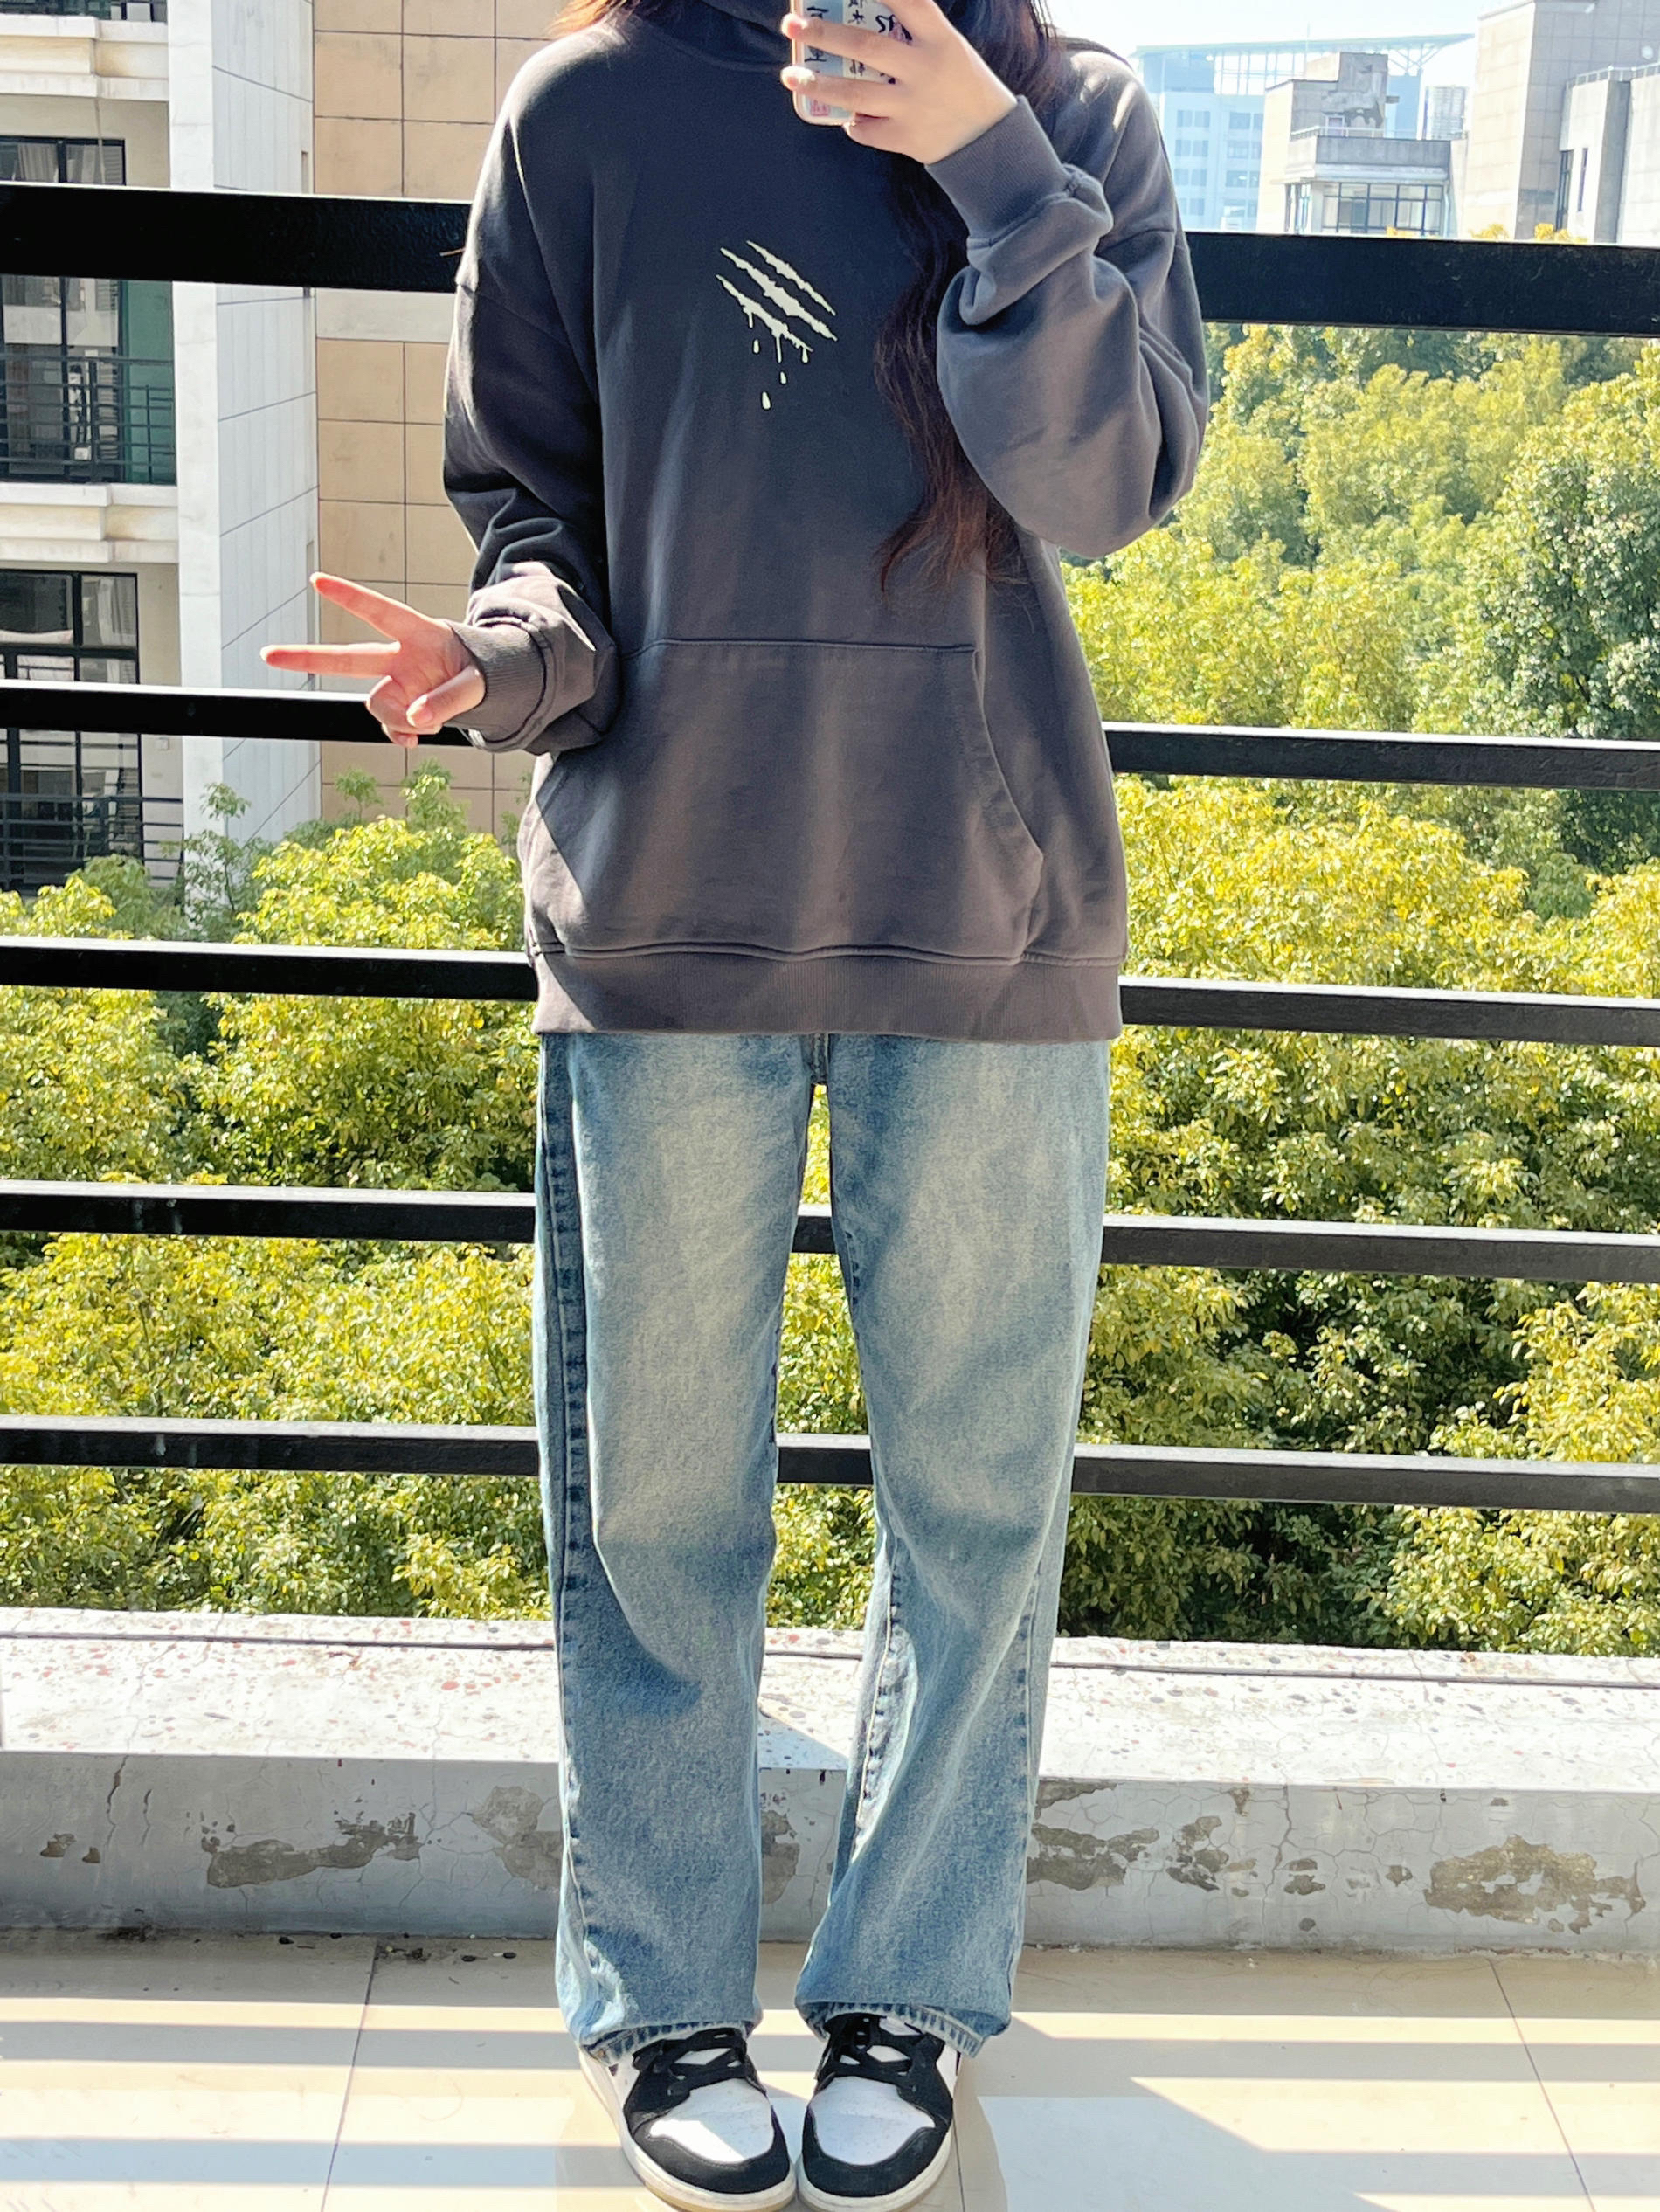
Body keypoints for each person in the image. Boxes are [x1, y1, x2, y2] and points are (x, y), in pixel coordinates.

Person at [266, 0, 1205, 2200]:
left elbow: (1105, 490)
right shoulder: (585, 111)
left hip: (979, 910)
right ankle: (665, 1998)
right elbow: (541, 516)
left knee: (974, 1509)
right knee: (652, 1508)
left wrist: (987, 160)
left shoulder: (1073, 111)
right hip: (669, 904)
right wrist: (498, 659)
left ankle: (907, 1991)